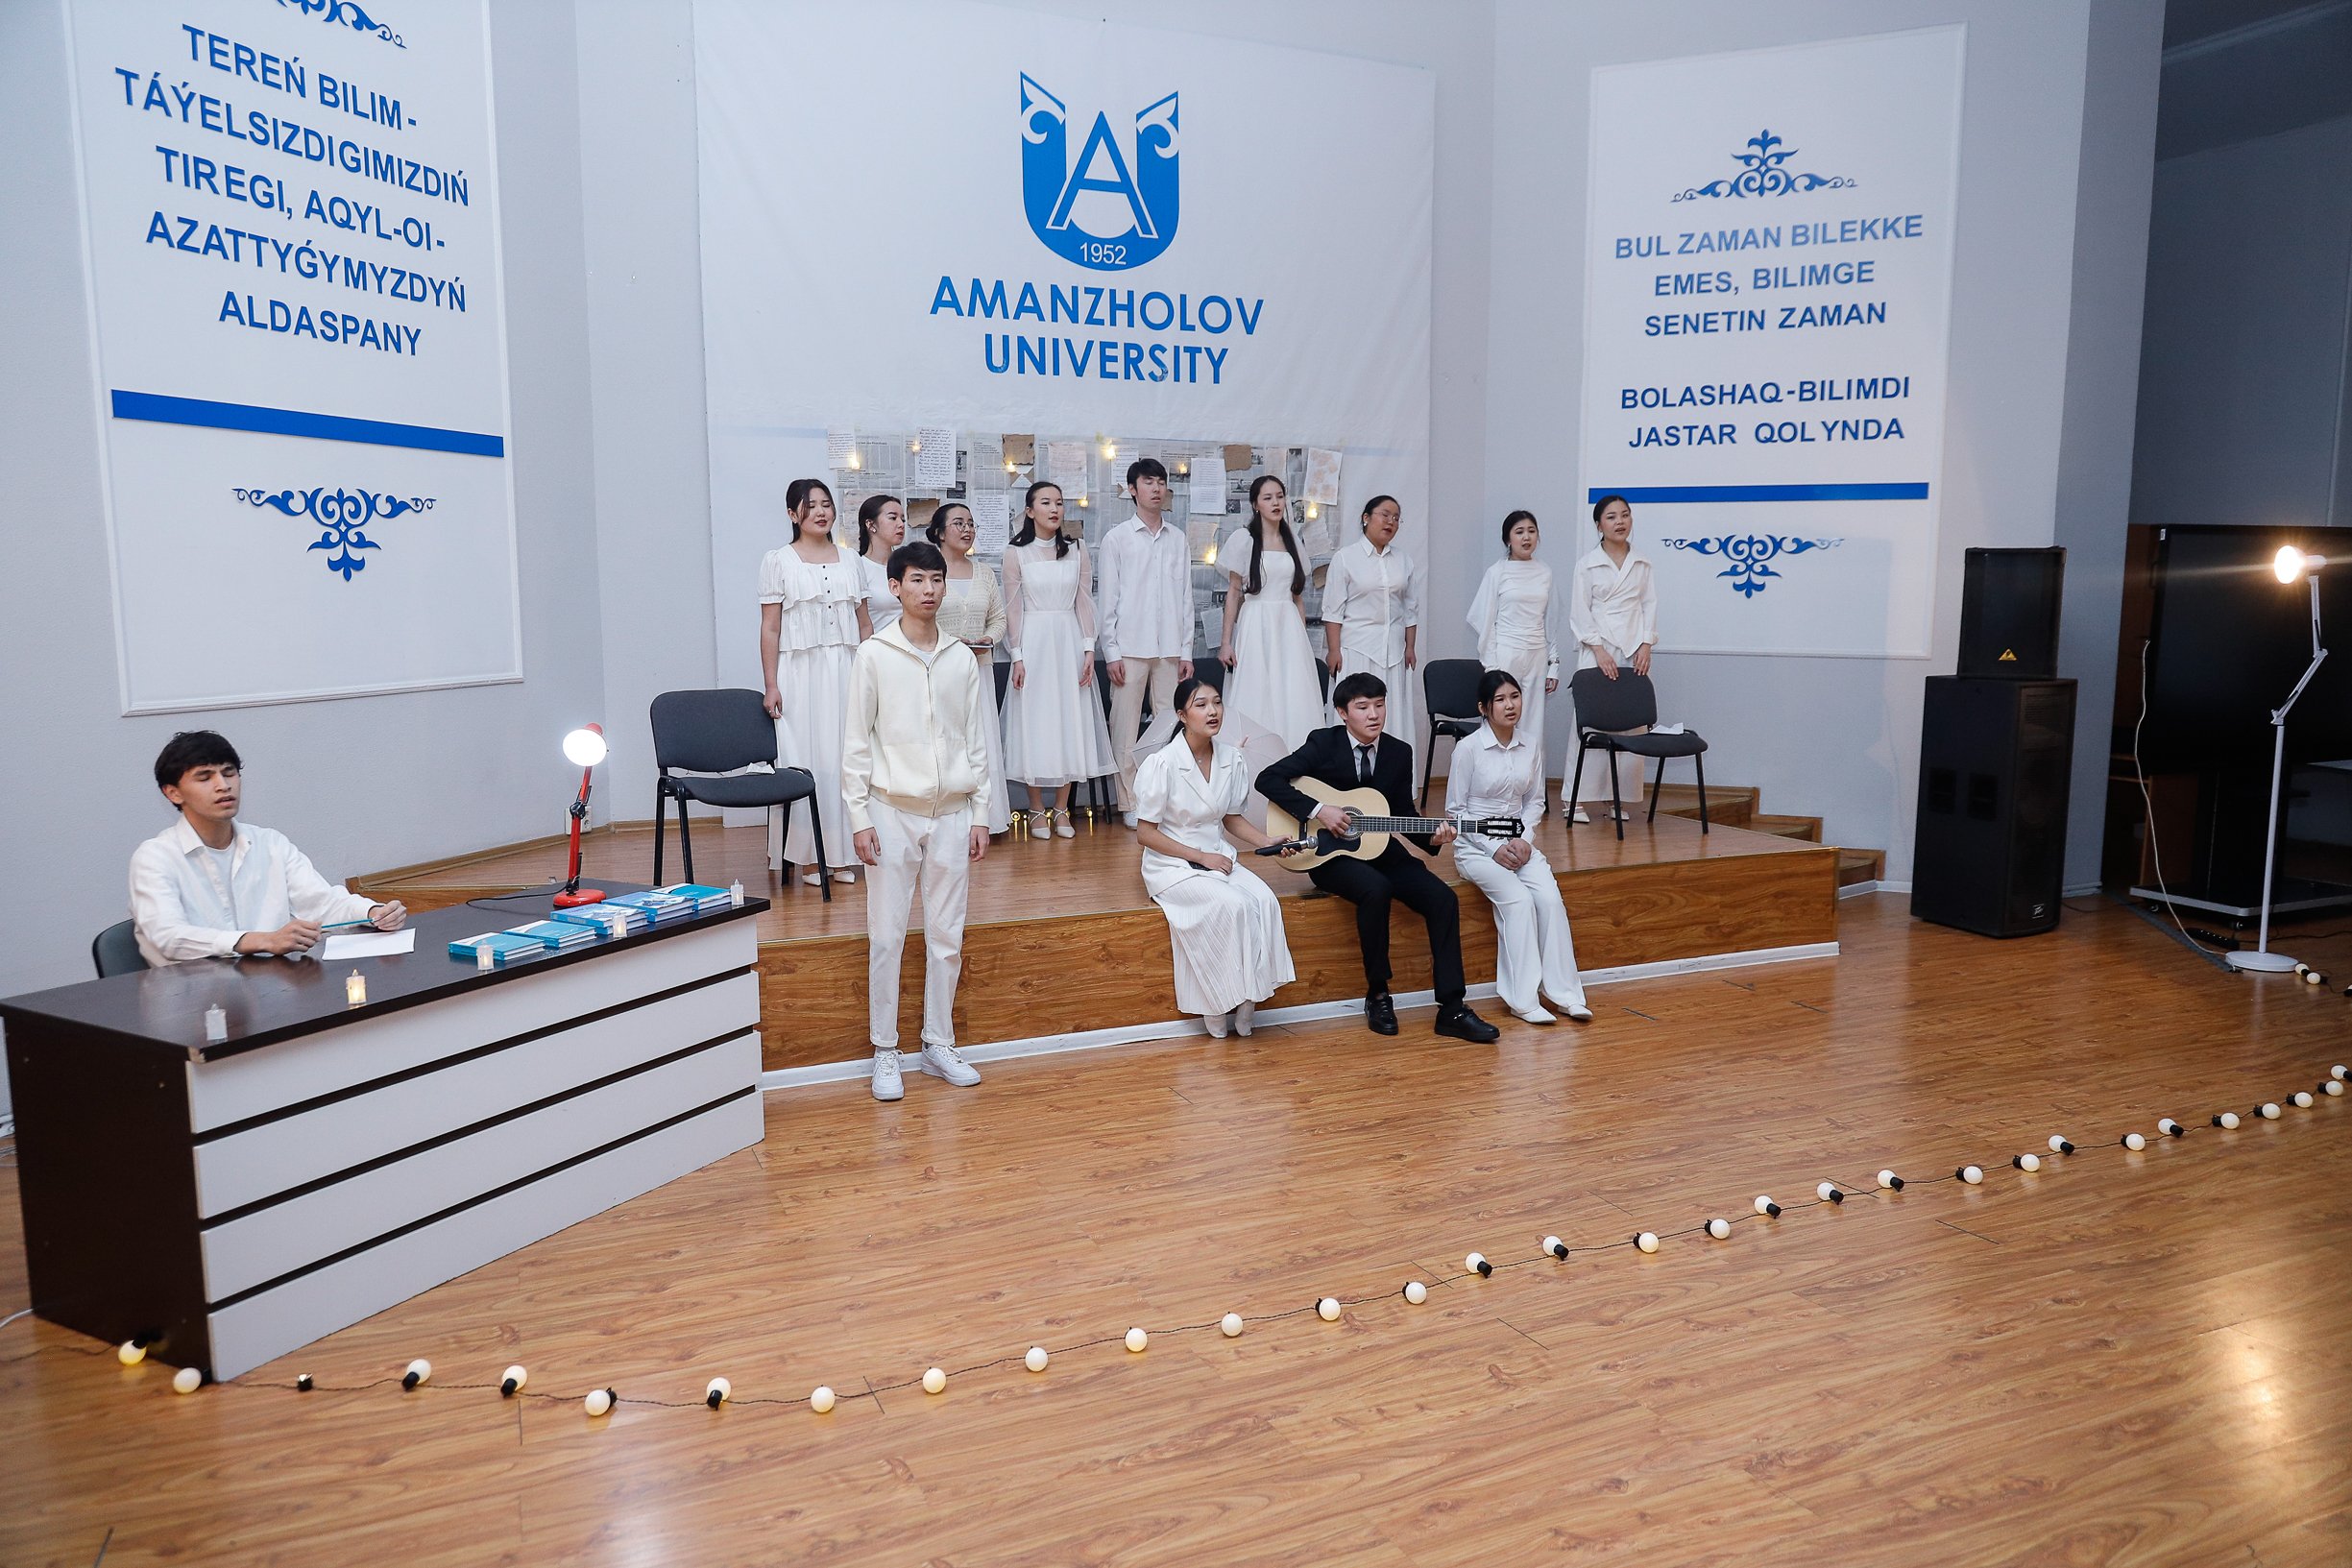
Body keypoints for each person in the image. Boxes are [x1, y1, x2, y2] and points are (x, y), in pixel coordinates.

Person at [1255, 673, 1499, 1044]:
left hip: (1381, 849)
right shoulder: (1323, 743)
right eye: (1363, 707)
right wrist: (1320, 810)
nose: (1374, 714)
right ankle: (1378, 994)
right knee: (1376, 888)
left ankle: (1452, 1008)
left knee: (1443, 898)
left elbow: (1401, 813)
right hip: (1328, 855)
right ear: (1343, 713)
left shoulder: (1399, 752)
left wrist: (1433, 837)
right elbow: (1268, 779)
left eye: (1380, 705)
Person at [842, 540, 992, 1102]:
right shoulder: (874, 654)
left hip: (952, 812)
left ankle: (938, 1042)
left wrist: (981, 811)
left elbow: (975, 741)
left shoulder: (960, 657)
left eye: (936, 580)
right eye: (917, 580)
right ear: (895, 587)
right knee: (887, 936)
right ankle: (885, 1049)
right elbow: (856, 743)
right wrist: (859, 815)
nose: (929, 590)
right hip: (890, 810)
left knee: (947, 936)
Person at [129, 730, 406, 966]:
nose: (223, 785)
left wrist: (373, 912)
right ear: (173, 792)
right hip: (191, 997)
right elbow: (168, 936)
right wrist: (261, 940)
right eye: (205, 778)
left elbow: (322, 904)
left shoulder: (270, 843)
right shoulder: (155, 857)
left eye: (229, 773)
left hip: (271, 989)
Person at [1133, 677, 1296, 1038]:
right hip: (1172, 865)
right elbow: (1146, 834)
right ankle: (1216, 1002)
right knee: (1233, 905)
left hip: (1218, 858)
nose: (1213, 711)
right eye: (1201, 704)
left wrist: (1267, 840)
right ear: (1182, 715)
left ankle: (1250, 996)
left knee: (1265, 900)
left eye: (1217, 703)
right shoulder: (1162, 764)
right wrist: (1200, 857)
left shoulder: (1232, 758)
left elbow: (1231, 819)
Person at [1446, 669, 1594, 1025]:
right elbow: (1455, 812)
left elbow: (1535, 802)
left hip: (1518, 843)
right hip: (1475, 847)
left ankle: (1566, 995)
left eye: (1515, 696)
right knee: (1518, 901)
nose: (1510, 705)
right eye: (1500, 699)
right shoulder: (1468, 749)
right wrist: (1492, 848)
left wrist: (1523, 841)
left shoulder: (1531, 745)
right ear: (1483, 708)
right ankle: (1522, 1000)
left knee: (1550, 900)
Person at [760, 477, 869, 884]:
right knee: (806, 758)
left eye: (826, 504)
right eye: (811, 505)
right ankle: (807, 857)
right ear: (793, 514)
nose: (821, 512)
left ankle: (841, 856)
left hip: (846, 667)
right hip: (799, 672)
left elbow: (863, 623)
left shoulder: (851, 560)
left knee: (846, 757)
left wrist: (871, 672)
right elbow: (770, 627)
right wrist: (771, 683)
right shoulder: (778, 561)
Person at [1000, 481, 1114, 836]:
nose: (1054, 509)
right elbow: (1012, 608)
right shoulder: (1015, 553)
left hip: (1069, 641)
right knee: (1034, 720)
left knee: (1070, 718)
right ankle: (1036, 809)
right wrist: (1017, 656)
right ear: (1029, 511)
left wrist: (1089, 647)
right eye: (1046, 502)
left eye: (1060, 503)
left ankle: (1062, 808)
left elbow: (1084, 601)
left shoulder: (1077, 549)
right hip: (1033, 641)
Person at [1098, 456, 1195, 827]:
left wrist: (1186, 651)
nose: (1156, 489)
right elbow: (1108, 600)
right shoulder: (1117, 538)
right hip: (1129, 648)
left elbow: (1185, 599)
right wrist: (1112, 652)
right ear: (1132, 489)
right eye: (1148, 482)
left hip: (1170, 648)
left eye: (1161, 482)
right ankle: (1130, 802)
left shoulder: (1178, 539)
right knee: (1125, 728)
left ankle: (1165, 800)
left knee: (1170, 727)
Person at [1566, 493, 1660, 824]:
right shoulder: (1587, 564)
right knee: (1590, 721)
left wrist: (1646, 644)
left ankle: (1617, 796)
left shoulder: (1643, 562)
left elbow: (1649, 605)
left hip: (1633, 648)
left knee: (1631, 724)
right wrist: (1598, 649)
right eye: (1611, 516)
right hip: (1598, 648)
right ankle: (1575, 799)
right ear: (1598, 525)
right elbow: (1579, 610)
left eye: (1625, 515)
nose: (1620, 522)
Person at [1219, 474, 1323, 750]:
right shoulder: (1244, 540)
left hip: (1288, 625)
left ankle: (1295, 757)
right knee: (1256, 689)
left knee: (1292, 691)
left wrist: (1301, 636)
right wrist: (1226, 642)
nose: (1276, 503)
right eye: (1268, 498)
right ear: (1256, 505)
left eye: (1279, 496)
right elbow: (1233, 593)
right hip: (1255, 622)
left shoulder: (1292, 541)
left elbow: (1297, 597)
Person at [1467, 510, 1561, 814]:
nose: (1526, 537)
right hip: (1505, 654)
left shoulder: (1545, 572)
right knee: (1501, 724)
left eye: (1531, 531)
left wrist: (1554, 664)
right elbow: (1485, 620)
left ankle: (1531, 797)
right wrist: (1493, 666)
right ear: (1508, 538)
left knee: (1533, 727)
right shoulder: (1497, 572)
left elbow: (1551, 622)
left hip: (1536, 655)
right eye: (1519, 531)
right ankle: (1495, 793)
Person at [927, 500, 1012, 835]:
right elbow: (921, 615)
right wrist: (950, 641)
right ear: (939, 532)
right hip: (940, 669)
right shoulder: (930, 572)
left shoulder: (984, 573)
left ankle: (985, 818)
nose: (967, 530)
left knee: (981, 742)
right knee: (946, 740)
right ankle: (947, 818)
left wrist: (989, 638)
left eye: (971, 524)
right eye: (959, 523)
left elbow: (999, 618)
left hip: (980, 667)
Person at [1321, 493, 1420, 755]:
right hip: (1356, 650)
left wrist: (1410, 647)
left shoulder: (1403, 560)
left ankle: (1393, 776)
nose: (1391, 522)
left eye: (1396, 518)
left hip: (1394, 652)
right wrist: (1334, 650)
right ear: (1366, 518)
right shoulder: (1345, 558)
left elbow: (1410, 609)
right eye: (1385, 515)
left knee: (1392, 713)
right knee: (1358, 711)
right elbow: (1333, 611)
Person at [853, 494, 909, 637]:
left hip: (911, 645)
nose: (901, 524)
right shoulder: (858, 567)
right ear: (870, 525)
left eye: (902, 519)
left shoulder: (908, 565)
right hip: (877, 645)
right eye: (893, 518)